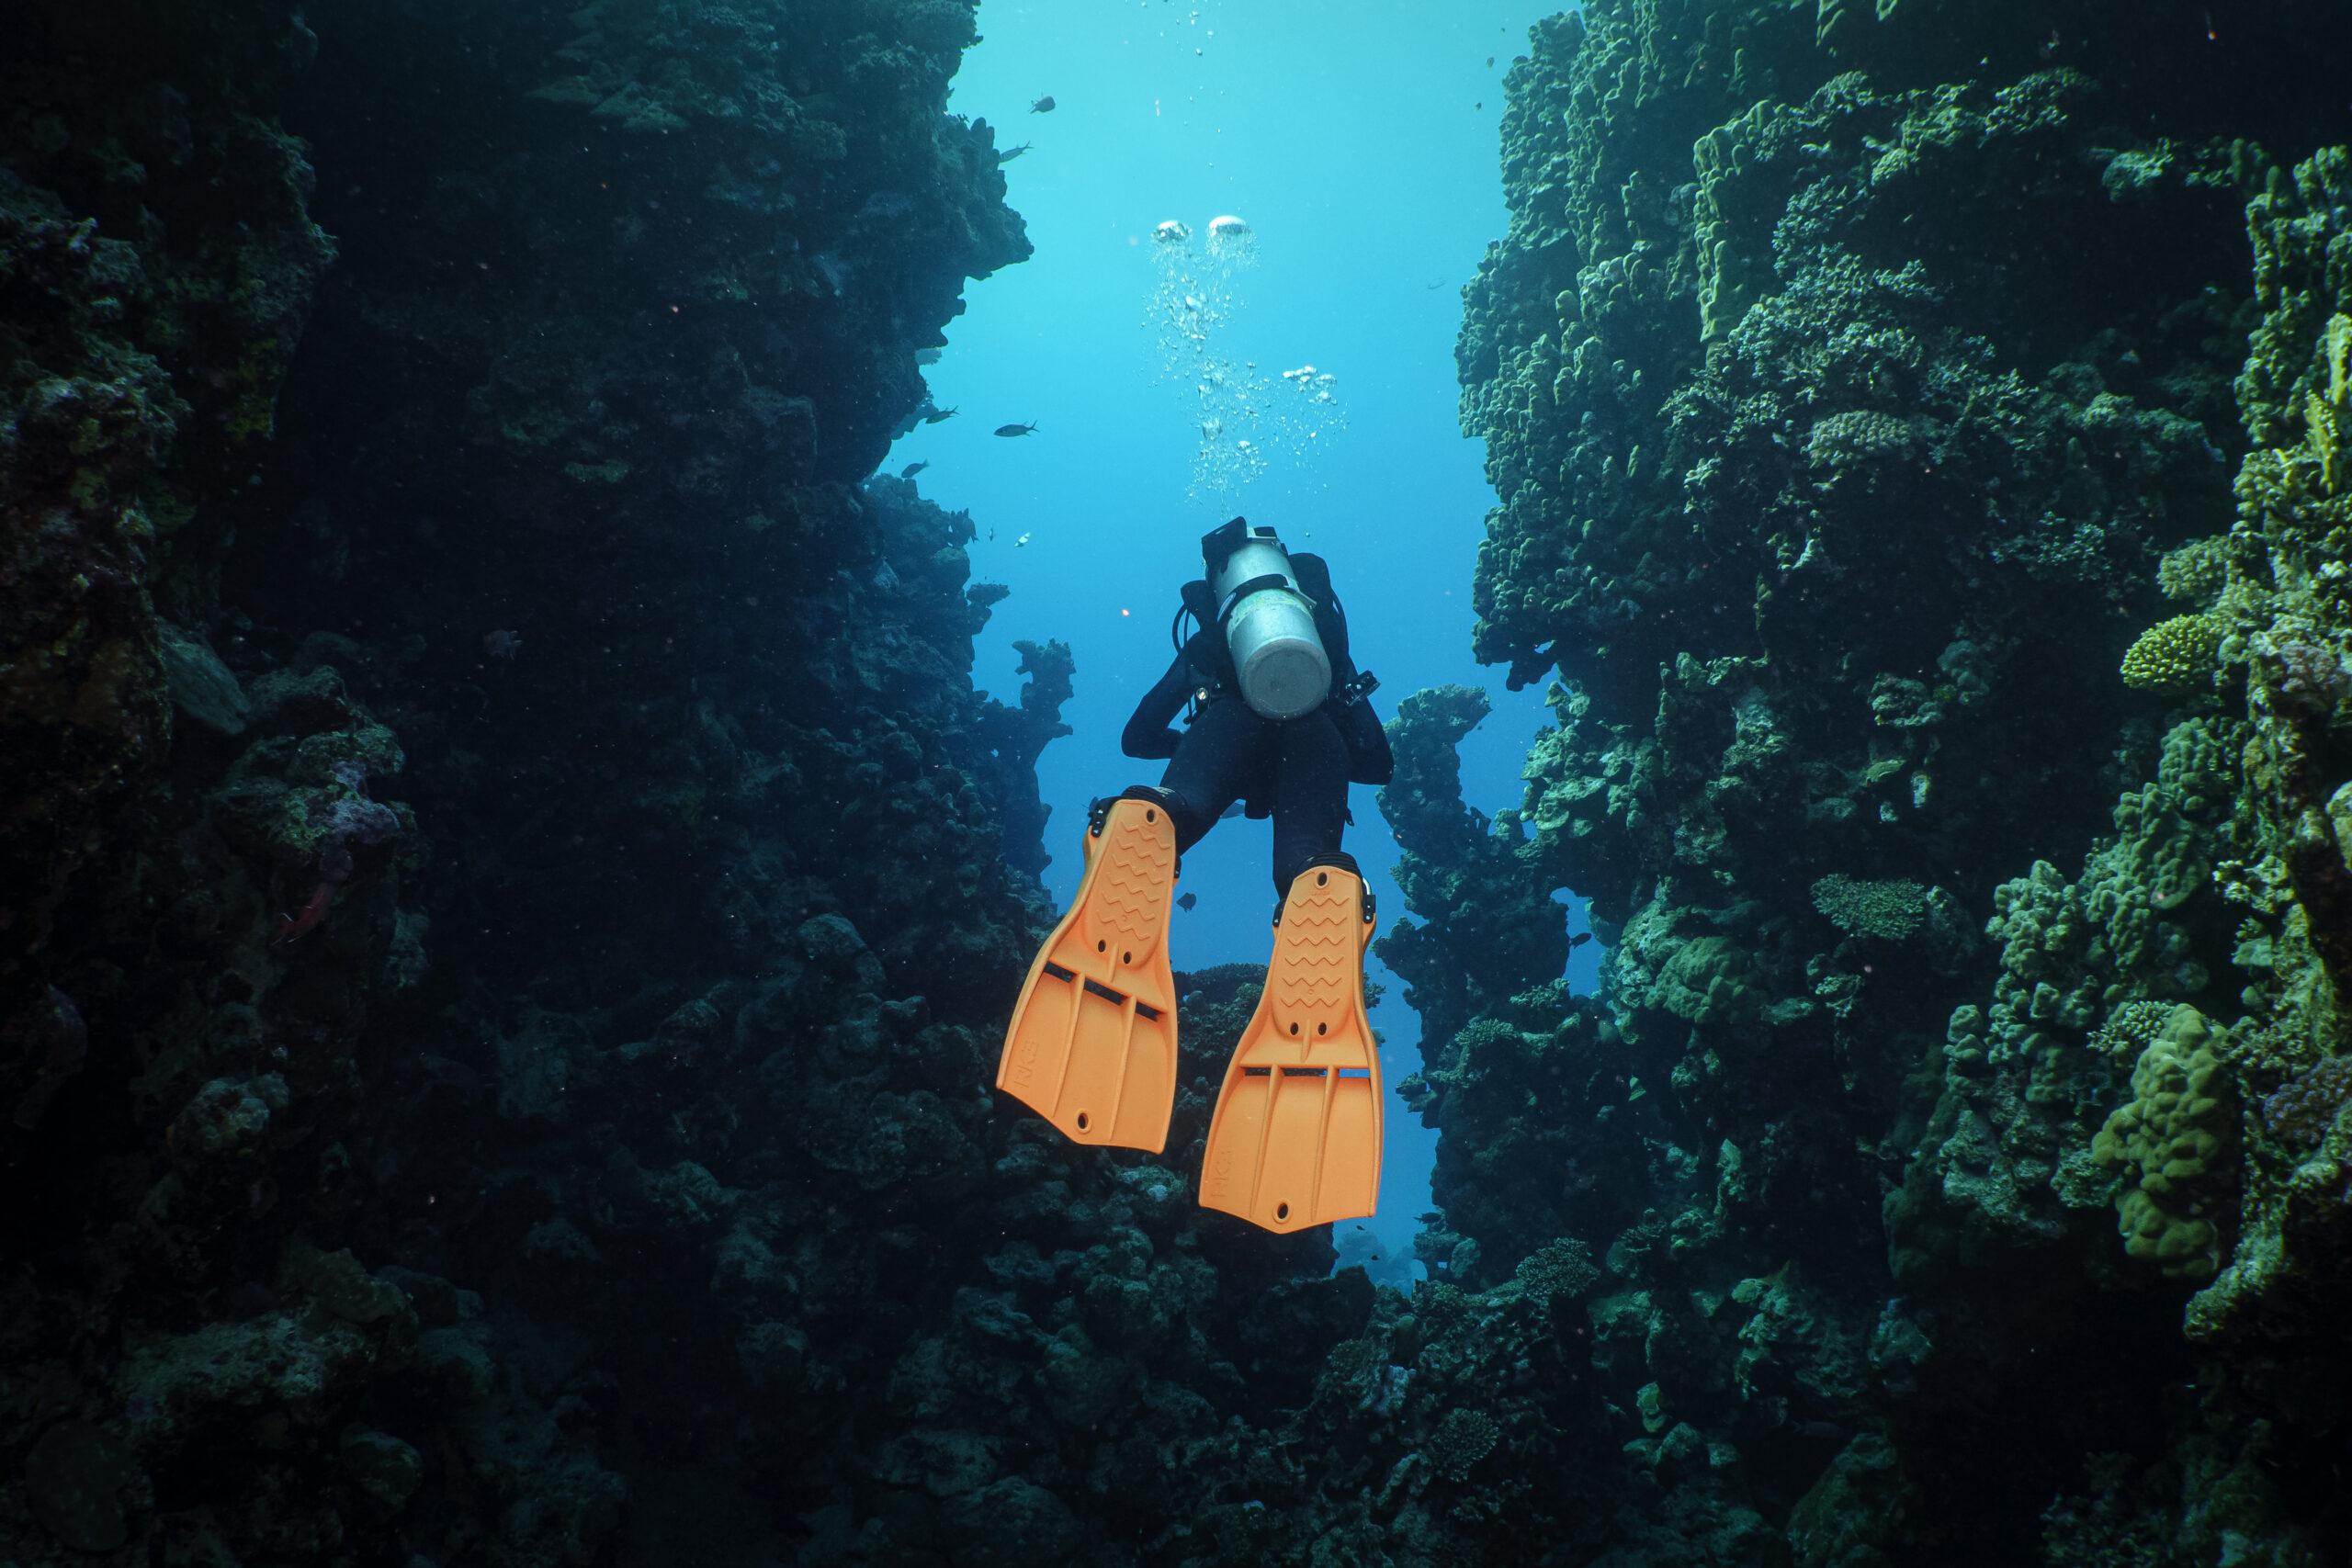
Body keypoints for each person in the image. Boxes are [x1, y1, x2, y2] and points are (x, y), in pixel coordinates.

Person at [994, 519, 1394, 1234]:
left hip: (1226, 726)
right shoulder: (1318, 639)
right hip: (1316, 737)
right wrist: (1297, 746)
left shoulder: (1217, 642)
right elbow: (1378, 759)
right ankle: (1325, 888)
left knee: (1174, 811)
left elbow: (1136, 735)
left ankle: (1148, 821)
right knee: (1306, 868)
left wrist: (1216, 749)